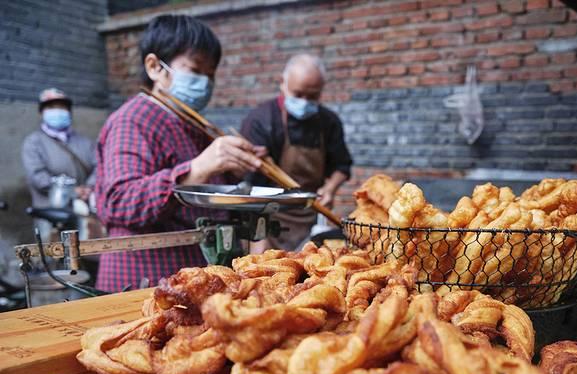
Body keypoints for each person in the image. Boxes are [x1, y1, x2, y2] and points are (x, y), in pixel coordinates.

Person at [94, 14, 264, 292]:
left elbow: (202, 199)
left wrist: (232, 170)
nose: (205, 83)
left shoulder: (192, 124)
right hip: (143, 279)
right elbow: (120, 200)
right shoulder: (134, 119)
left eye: (210, 75)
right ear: (154, 67)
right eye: (195, 71)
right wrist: (197, 168)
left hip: (191, 277)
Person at [240, 54, 352, 251]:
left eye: (313, 96)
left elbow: (342, 165)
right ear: (282, 83)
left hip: (309, 214)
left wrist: (330, 188)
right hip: (266, 216)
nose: (305, 102)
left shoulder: (328, 121)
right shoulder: (261, 120)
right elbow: (248, 182)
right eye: (298, 94)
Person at [22, 88, 96, 239]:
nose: (57, 111)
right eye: (51, 107)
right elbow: (38, 177)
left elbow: (99, 167)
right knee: (52, 256)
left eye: (61, 107)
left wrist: (89, 187)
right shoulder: (34, 143)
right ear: (41, 113)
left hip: (83, 211)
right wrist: (72, 191)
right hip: (50, 214)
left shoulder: (85, 142)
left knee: (85, 255)